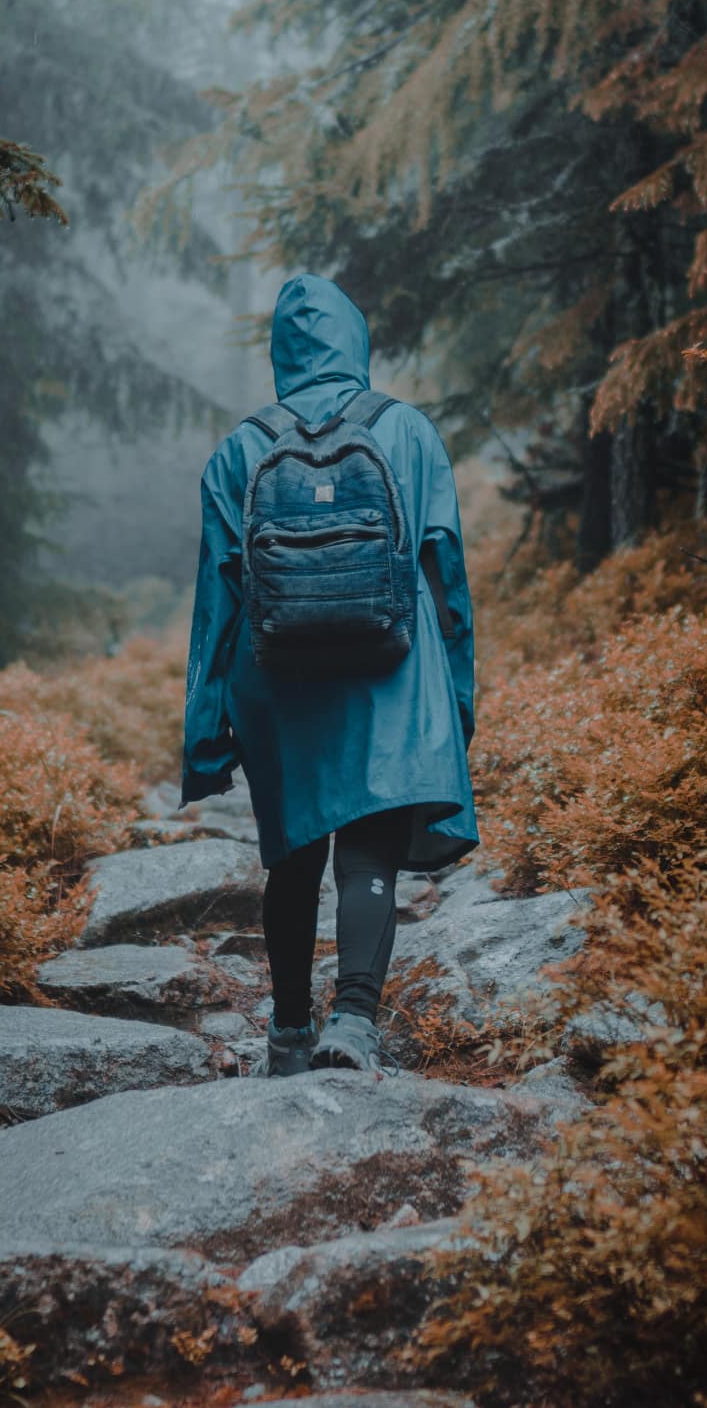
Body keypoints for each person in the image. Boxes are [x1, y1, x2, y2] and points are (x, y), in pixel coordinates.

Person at [181, 272, 479, 1077]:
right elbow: (445, 572)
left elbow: (218, 605)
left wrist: (206, 738)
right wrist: (455, 701)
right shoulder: (408, 431)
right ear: (357, 341)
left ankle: (286, 1034)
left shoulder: (239, 448)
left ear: (282, 354)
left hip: (279, 679)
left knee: (294, 856)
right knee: (368, 854)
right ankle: (353, 1022)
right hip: (393, 669)